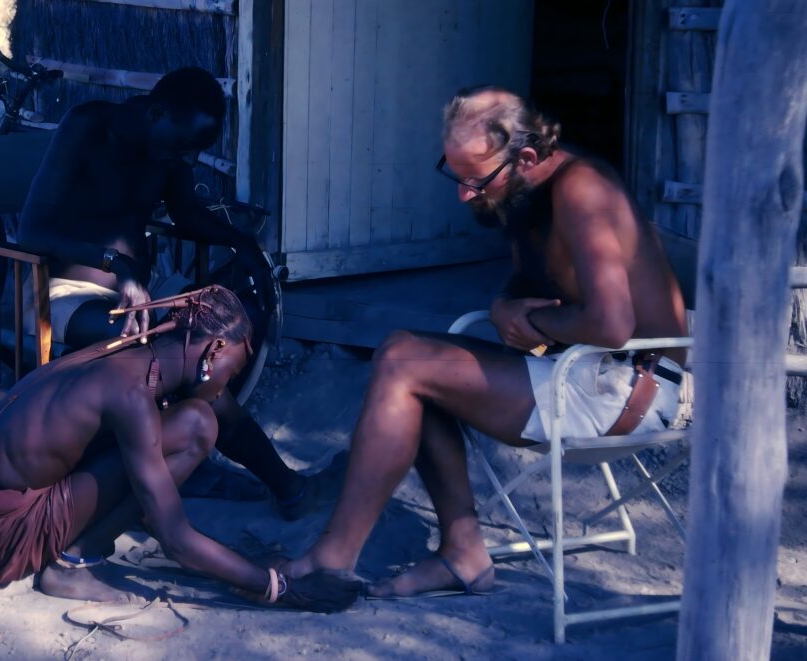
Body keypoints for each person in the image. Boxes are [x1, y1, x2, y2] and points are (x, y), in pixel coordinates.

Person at [283, 87, 688, 597]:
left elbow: (612, 325)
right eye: (456, 176)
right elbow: (525, 286)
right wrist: (503, 308)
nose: (465, 194)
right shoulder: (524, 192)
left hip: (628, 389)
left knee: (404, 364)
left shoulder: (581, 189)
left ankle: (333, 558)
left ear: (524, 156)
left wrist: (537, 327)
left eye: (476, 179)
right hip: (583, 369)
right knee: (401, 357)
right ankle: (461, 553)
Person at [16, 66, 321, 519]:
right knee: (179, 353)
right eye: (184, 147)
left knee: (209, 339)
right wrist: (115, 265)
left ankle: (195, 457)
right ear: (156, 112)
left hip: (141, 296)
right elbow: (31, 231)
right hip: (61, 292)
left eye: (196, 151)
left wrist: (243, 243)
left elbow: (185, 213)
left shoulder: (170, 154)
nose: (190, 161)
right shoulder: (89, 127)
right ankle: (275, 481)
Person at [0, 286, 361, 611]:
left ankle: (85, 543)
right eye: (232, 372)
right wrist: (276, 586)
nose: (226, 385)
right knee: (197, 425)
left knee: (193, 419)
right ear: (213, 351)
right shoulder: (130, 396)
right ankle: (74, 564)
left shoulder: (131, 351)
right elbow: (176, 540)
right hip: (4, 532)